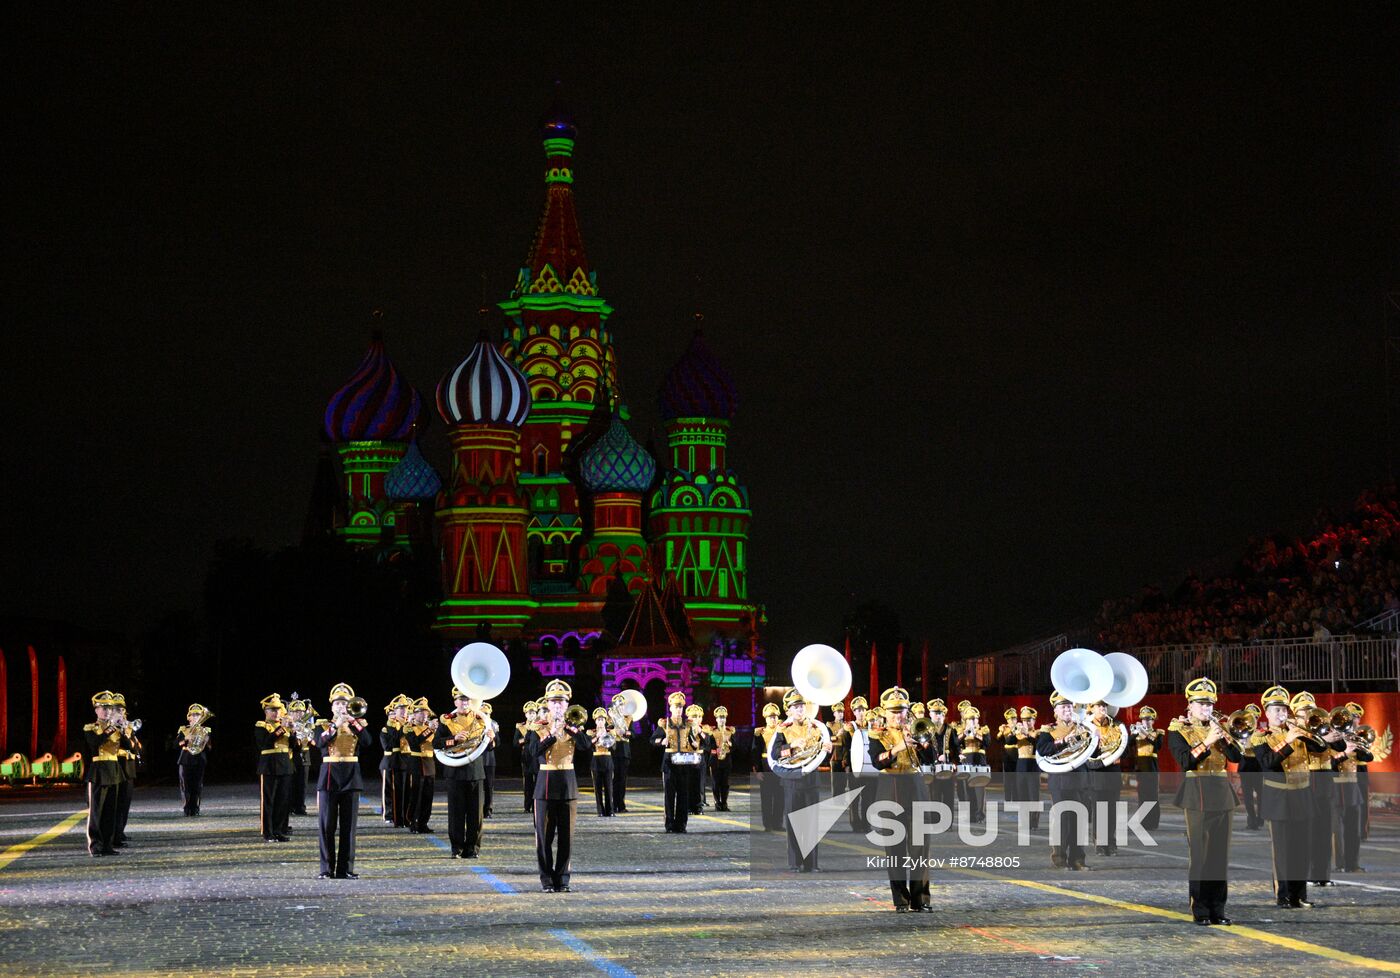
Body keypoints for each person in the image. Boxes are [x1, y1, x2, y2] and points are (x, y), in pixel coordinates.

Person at [1166, 677, 1242, 926]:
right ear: (1189, 706)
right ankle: (1199, 908)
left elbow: (1236, 756)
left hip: (1221, 792)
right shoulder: (1179, 730)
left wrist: (1225, 737)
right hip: (1197, 791)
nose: (1206, 709)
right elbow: (1185, 761)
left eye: (1209, 704)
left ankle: (1218, 908)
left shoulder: (1220, 728)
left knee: (1220, 856)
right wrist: (1208, 740)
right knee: (1200, 855)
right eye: (1200, 704)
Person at [1253, 684, 1327, 908]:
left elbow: (1323, 748)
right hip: (1279, 799)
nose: (1281, 714)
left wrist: (1309, 733)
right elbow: (1268, 763)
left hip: (1302, 796)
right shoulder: (1260, 737)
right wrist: (1287, 740)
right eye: (1276, 710)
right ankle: (1283, 895)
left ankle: (1299, 895)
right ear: (1267, 712)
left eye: (1284, 710)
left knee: (1302, 848)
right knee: (1283, 850)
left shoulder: (1298, 732)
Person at [870, 686, 932, 913]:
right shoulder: (878, 734)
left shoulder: (916, 731)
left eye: (902, 711)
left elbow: (929, 759)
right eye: (894, 712)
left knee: (920, 846)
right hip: (891, 788)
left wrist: (925, 745)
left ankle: (921, 899)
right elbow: (878, 762)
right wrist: (898, 747)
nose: (899, 716)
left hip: (915, 787)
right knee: (894, 848)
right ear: (885, 713)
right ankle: (900, 900)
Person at [528, 680, 591, 892]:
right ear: (547, 703)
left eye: (561, 703)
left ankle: (563, 880)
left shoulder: (574, 726)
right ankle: (546, 880)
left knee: (566, 837)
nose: (557, 706)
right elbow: (532, 753)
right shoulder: (537, 727)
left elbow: (585, 746)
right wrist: (552, 734)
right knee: (544, 839)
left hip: (567, 786)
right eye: (554, 702)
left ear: (567, 705)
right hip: (545, 786)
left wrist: (571, 730)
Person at [314, 683, 371, 879]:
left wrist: (353, 722)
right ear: (332, 707)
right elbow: (320, 743)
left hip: (351, 777)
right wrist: (335, 726)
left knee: (348, 827)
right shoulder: (322, 725)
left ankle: (345, 868)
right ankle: (326, 868)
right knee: (327, 826)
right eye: (337, 703)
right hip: (329, 775)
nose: (341, 706)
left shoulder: (358, 725)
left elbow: (367, 742)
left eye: (344, 703)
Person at [433, 686, 491, 858]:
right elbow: (436, 744)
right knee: (456, 813)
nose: (465, 703)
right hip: (455, 771)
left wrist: (492, 738)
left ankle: (472, 849)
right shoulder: (447, 720)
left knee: (476, 815)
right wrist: (454, 739)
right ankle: (456, 848)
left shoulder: (481, 719)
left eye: (467, 700)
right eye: (461, 699)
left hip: (475, 772)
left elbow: (493, 746)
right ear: (455, 701)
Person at [772, 689, 825, 872]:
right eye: (796, 707)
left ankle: (812, 864)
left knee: (812, 824)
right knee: (793, 823)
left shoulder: (817, 728)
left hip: (811, 781)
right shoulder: (783, 730)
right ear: (789, 711)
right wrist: (792, 746)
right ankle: (795, 862)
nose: (800, 710)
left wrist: (828, 747)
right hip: (792, 780)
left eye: (802, 706)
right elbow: (775, 753)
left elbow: (821, 750)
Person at [1036, 692, 1087, 870]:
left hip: (1079, 778)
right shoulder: (1048, 730)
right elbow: (1043, 750)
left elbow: (1091, 751)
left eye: (1069, 706)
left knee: (1079, 819)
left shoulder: (1082, 727)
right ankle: (1059, 858)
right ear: (1056, 711)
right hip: (1060, 779)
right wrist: (1063, 741)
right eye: (1063, 707)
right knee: (1063, 819)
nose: (1067, 709)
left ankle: (1078, 859)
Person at [83, 691, 131, 856]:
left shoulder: (116, 728)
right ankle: (95, 845)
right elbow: (95, 743)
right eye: (102, 708)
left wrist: (124, 728)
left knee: (111, 810)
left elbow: (128, 746)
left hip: (114, 770)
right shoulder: (91, 727)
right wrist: (112, 727)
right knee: (96, 812)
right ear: (96, 710)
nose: (106, 711)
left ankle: (107, 845)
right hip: (98, 770)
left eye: (109, 708)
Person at [653, 692, 704, 833]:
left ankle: (681, 825)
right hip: (669, 763)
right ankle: (669, 825)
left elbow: (696, 742)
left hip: (684, 763)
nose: (679, 710)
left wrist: (694, 743)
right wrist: (661, 741)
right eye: (676, 707)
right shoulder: (664, 724)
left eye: (681, 707)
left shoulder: (688, 725)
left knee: (683, 795)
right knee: (669, 796)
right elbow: (653, 740)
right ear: (670, 708)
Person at [1085, 700, 1124, 856]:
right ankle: (1100, 844)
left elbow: (1125, 748)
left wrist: (1119, 755)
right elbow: (1085, 752)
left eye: (1104, 706)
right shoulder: (1088, 727)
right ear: (1092, 708)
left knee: (1112, 811)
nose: (1102, 709)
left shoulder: (1117, 726)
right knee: (1099, 811)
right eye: (1098, 706)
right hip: (1097, 774)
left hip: (1113, 773)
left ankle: (1111, 842)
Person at [253, 693, 295, 842]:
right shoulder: (261, 726)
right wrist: (282, 729)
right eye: (272, 710)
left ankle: (280, 830)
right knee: (268, 801)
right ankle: (268, 832)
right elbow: (265, 743)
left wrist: (294, 730)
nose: (276, 713)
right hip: (269, 766)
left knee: (283, 801)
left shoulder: (285, 726)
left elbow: (294, 746)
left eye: (278, 710)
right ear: (266, 712)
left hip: (285, 766)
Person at [111, 692, 140, 847]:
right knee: (115, 803)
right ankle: (114, 835)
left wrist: (129, 733)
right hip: (116, 765)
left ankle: (120, 831)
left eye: (122, 710)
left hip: (128, 767)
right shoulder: (108, 727)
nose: (120, 712)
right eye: (117, 709)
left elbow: (134, 747)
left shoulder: (128, 727)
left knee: (125, 802)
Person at [404, 697, 437, 833]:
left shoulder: (430, 728)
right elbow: (415, 742)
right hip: (416, 763)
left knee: (428, 797)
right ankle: (413, 823)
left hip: (429, 763)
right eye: (421, 712)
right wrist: (429, 730)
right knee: (416, 795)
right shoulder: (409, 728)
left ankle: (424, 823)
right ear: (414, 713)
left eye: (426, 713)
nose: (424, 715)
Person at [175, 703, 212, 817]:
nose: (195, 717)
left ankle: (195, 808)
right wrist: (186, 738)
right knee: (185, 785)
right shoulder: (183, 729)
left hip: (199, 759)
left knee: (197, 785)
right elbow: (175, 744)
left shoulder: (205, 730)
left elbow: (210, 747)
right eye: (193, 715)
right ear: (189, 717)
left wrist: (206, 740)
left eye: (198, 715)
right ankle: (187, 808)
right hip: (185, 759)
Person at [955, 706, 989, 824]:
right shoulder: (960, 730)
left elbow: (987, 742)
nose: (972, 721)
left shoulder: (983, 729)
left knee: (979, 790)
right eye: (969, 719)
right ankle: (971, 815)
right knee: (968, 790)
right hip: (967, 761)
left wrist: (976, 734)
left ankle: (980, 815)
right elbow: (956, 743)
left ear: (978, 719)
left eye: (974, 719)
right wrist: (964, 734)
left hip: (979, 761)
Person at [1131, 706, 1163, 832]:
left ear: (1153, 720)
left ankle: (1153, 822)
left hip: (1152, 766)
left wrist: (1144, 733)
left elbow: (1157, 745)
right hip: (1140, 766)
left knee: (1153, 795)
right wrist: (1133, 734)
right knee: (1142, 795)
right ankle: (1144, 822)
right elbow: (1128, 745)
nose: (1146, 722)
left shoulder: (1158, 733)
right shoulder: (1137, 733)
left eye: (1149, 719)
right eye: (1144, 719)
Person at [755, 702, 784, 831]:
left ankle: (778, 824)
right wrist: (757, 770)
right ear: (765, 718)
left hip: (779, 766)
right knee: (766, 798)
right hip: (765, 766)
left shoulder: (782, 732)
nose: (773, 719)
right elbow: (754, 752)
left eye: (775, 717)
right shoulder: (760, 733)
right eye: (770, 717)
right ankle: (767, 824)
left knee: (780, 797)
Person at [1236, 704, 1263, 830]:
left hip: (1258, 765)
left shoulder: (1261, 732)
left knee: (1261, 794)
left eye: (1254, 717)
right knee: (1247, 796)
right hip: (1246, 765)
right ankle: (1252, 820)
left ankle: (1260, 817)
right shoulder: (1240, 730)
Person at [1014, 706, 1041, 831]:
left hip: (1033, 766)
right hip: (1021, 766)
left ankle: (1034, 822)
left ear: (1034, 721)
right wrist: (1015, 731)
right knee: (1022, 795)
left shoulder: (1038, 732)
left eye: (1029, 720)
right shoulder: (1018, 733)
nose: (1027, 722)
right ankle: (1024, 821)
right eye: (1024, 720)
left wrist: (1027, 734)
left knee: (1033, 796)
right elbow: (1008, 740)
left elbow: (1038, 744)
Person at [286, 698, 312, 817]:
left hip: (304, 755)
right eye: (295, 711)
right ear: (290, 713)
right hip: (290, 755)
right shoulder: (287, 725)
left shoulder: (308, 724)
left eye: (301, 711)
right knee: (289, 782)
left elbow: (311, 739)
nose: (299, 714)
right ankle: (289, 806)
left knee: (302, 783)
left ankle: (300, 807)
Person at [588, 708, 614, 817]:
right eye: (598, 720)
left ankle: (610, 810)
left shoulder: (610, 732)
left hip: (607, 760)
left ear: (605, 721)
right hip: (596, 761)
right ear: (595, 721)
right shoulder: (591, 732)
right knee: (597, 788)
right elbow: (588, 745)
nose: (600, 722)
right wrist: (597, 737)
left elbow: (615, 746)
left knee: (609, 787)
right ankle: (600, 810)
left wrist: (608, 736)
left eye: (602, 719)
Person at [516, 701, 540, 813]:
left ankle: (537, 805)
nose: (531, 715)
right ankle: (527, 806)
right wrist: (524, 740)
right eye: (529, 713)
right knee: (528, 783)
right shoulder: (521, 727)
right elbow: (515, 743)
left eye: (533, 713)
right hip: (526, 757)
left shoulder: (539, 726)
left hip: (537, 756)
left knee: (538, 782)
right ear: (525, 714)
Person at [609, 694, 632, 813]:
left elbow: (633, 733)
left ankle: (621, 805)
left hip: (624, 751)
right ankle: (612, 805)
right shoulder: (610, 717)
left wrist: (626, 732)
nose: (622, 708)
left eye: (623, 705)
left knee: (622, 779)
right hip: (614, 750)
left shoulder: (628, 718)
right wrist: (615, 731)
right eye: (619, 705)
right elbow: (606, 730)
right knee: (613, 779)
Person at [710, 706, 735, 811]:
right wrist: (716, 750)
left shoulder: (730, 731)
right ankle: (717, 803)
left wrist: (730, 744)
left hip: (726, 760)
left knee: (725, 783)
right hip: (715, 760)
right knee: (716, 783)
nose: (722, 720)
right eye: (720, 718)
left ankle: (724, 803)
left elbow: (735, 746)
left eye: (723, 717)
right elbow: (708, 745)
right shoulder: (712, 731)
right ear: (716, 719)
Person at [997, 707, 1020, 805]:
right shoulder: (1004, 728)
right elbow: (999, 739)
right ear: (1007, 720)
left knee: (1016, 777)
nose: (1012, 720)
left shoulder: (1019, 727)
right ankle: (1007, 798)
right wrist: (1001, 731)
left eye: (1014, 718)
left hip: (1017, 753)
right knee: (1007, 778)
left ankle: (1015, 798)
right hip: (1007, 754)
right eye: (1010, 719)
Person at [481, 701, 499, 818]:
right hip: (476, 759)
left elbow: (498, 742)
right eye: (483, 713)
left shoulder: (493, 724)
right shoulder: (474, 723)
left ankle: (488, 810)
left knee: (488, 786)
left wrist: (492, 739)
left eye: (487, 713)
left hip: (488, 759)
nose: (485, 715)